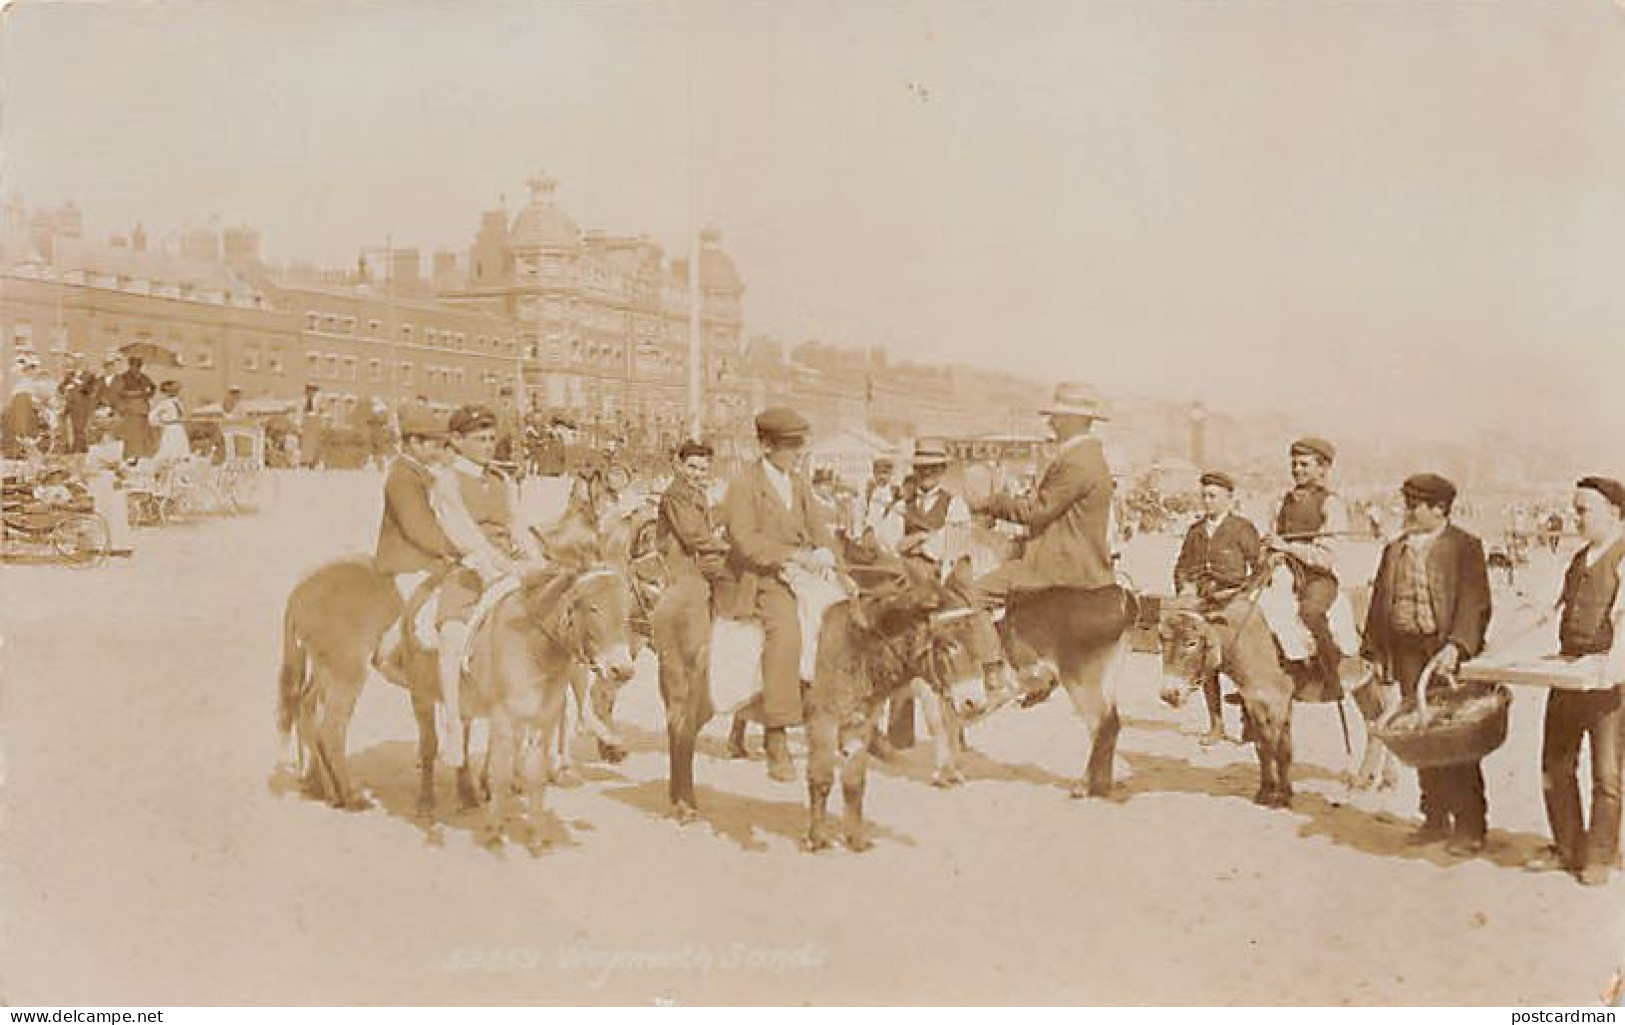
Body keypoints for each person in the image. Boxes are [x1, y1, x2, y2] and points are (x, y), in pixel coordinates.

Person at [1361, 473, 1493, 856]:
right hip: (1407, 652)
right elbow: (1379, 601)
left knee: (1456, 739)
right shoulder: (1395, 548)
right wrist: (1374, 651)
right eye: (1407, 503)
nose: (1407, 511)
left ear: (1440, 509)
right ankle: (1434, 818)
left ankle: (1470, 826)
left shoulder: (1465, 546)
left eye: (1415, 504)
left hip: (1445, 653)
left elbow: (1476, 602)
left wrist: (1457, 645)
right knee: (1420, 736)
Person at [972, 382, 1117, 696]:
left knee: (973, 596)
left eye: (1058, 417)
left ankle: (996, 676)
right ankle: (1031, 666)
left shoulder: (1077, 461)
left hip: (1057, 567)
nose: (1051, 423)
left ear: (1075, 421)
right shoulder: (1089, 458)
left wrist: (992, 502)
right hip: (1079, 563)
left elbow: (1037, 511)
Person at [717, 406, 837, 782]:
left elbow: (819, 528)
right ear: (766, 445)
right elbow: (745, 540)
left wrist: (827, 552)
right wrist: (795, 556)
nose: (798, 451)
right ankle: (776, 734)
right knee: (786, 636)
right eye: (790, 445)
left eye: (800, 444)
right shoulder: (744, 485)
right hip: (761, 577)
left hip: (802, 573)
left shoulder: (798, 484)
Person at [1524, 476, 1625, 886]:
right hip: (1567, 673)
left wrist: (1609, 667)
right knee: (1555, 764)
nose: (1575, 517)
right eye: (1575, 509)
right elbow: (1547, 609)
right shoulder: (1578, 559)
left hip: (1607, 680)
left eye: (1584, 510)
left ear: (1614, 513)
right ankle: (1567, 846)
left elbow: (1624, 622)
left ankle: (1599, 854)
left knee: (1608, 772)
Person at [429, 404, 542, 766]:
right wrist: (498, 565)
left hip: (509, 563)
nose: (488, 446)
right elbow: (462, 531)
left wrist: (537, 562)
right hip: (468, 567)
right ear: (458, 441)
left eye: (491, 439)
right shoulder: (446, 480)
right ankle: (451, 721)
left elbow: (518, 526)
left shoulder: (502, 480)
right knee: (450, 635)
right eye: (479, 439)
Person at [1173, 470, 1264, 744]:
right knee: (1204, 661)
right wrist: (1185, 588)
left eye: (1213, 496)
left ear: (1229, 498)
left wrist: (1245, 593)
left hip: (1234, 601)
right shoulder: (1195, 531)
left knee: (1243, 660)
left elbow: (1259, 568)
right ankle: (1216, 724)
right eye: (1203, 495)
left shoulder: (1242, 528)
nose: (1207, 501)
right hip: (1203, 602)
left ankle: (1250, 720)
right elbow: (1181, 567)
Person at [373, 406, 460, 692]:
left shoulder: (421, 473)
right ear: (413, 443)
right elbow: (418, 527)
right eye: (431, 443)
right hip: (404, 560)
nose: (436, 448)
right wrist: (454, 549)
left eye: (438, 443)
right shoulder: (402, 476)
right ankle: (391, 655)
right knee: (422, 600)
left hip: (422, 555)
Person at [1265, 436, 1351, 696]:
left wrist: (1289, 548)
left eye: (1304, 464)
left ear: (1323, 468)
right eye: (1294, 464)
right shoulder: (1280, 502)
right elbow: (1272, 538)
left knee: (1310, 613)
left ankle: (1329, 674)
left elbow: (1328, 556)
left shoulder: (1331, 504)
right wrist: (1270, 552)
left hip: (1317, 578)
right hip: (1282, 571)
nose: (1297, 470)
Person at [112, 355, 157, 462]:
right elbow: (119, 392)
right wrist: (137, 393)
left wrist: (148, 394)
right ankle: (130, 456)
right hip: (130, 409)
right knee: (131, 434)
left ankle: (141, 456)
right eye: (135, 365)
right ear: (130, 365)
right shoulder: (123, 377)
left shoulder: (144, 377)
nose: (137, 368)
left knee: (143, 434)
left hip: (143, 409)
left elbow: (153, 387)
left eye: (139, 366)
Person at [57, 354, 99, 455]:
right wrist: (66, 388)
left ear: (84, 362)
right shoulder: (70, 375)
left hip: (82, 405)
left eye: (80, 360)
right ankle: (73, 448)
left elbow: (92, 390)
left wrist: (80, 384)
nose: (77, 363)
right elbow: (60, 388)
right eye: (75, 360)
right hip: (70, 405)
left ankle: (80, 449)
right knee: (72, 426)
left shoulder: (89, 375)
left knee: (80, 427)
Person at [148, 380, 192, 460]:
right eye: (170, 391)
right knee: (169, 449)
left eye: (176, 391)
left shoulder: (179, 402)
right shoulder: (164, 403)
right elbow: (152, 416)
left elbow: (182, 414)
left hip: (179, 427)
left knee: (181, 448)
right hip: (170, 428)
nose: (174, 392)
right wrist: (161, 423)